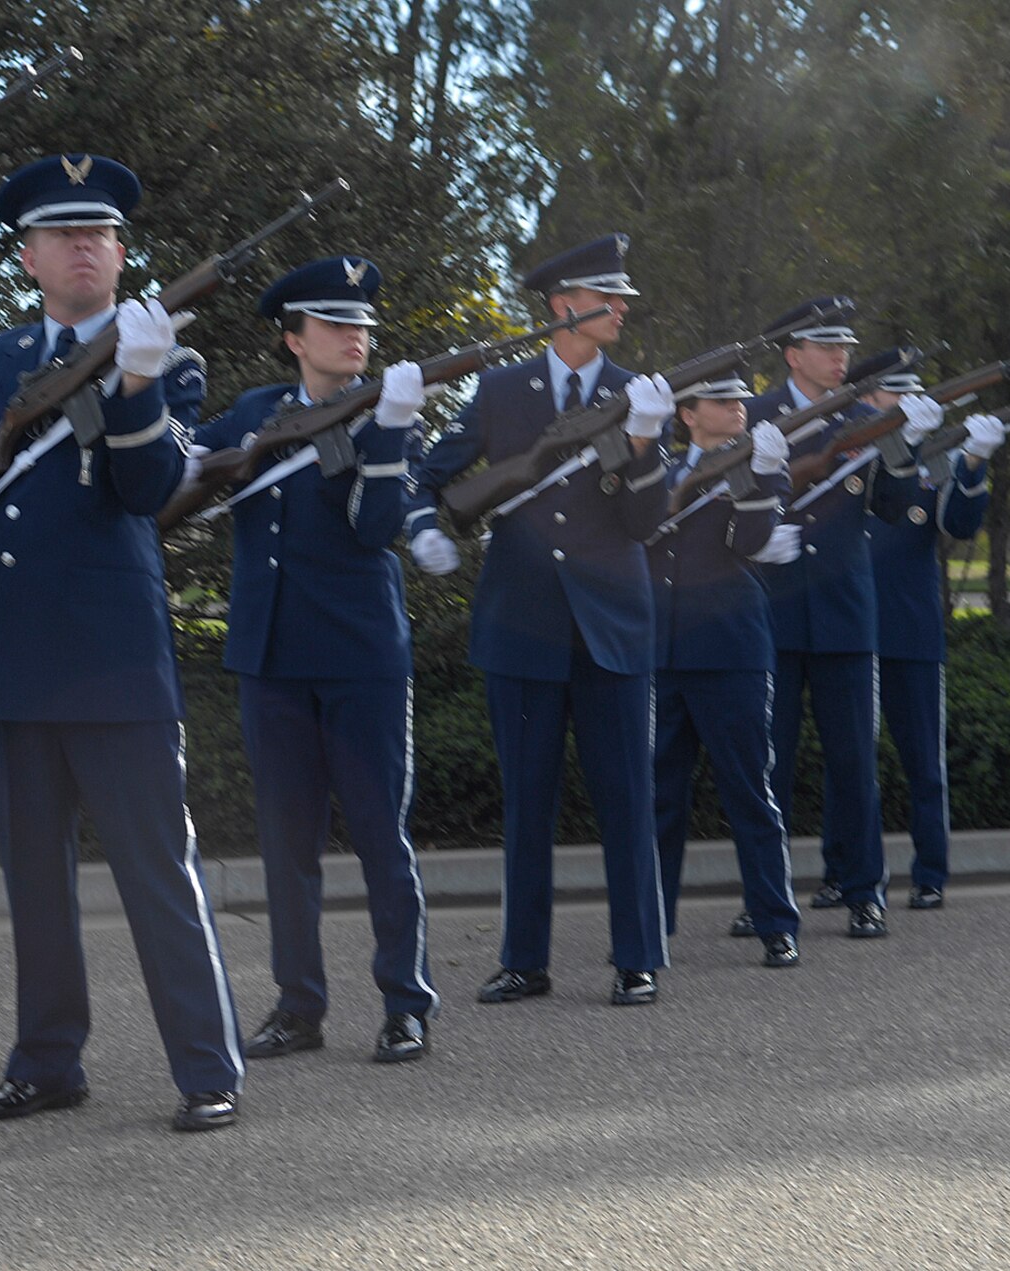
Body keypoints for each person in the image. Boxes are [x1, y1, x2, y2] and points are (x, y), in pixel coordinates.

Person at [0, 154, 245, 1131]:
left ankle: (207, 1067)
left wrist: (138, 385)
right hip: (9, 655)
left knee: (159, 875)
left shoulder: (166, 357)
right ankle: (45, 1062)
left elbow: (147, 493)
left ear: (120, 253)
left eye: (100, 234)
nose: (83, 247)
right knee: (33, 883)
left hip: (114, 662)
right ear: (28, 257)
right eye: (63, 234)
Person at [406, 234, 671, 1007]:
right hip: (522, 621)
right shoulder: (499, 392)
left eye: (622, 297)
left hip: (611, 625)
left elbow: (647, 521)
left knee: (626, 795)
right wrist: (424, 526)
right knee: (527, 799)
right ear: (563, 307)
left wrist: (647, 443)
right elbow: (429, 475)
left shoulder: (641, 392)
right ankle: (524, 957)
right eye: (606, 296)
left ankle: (637, 956)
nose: (622, 308)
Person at [192, 256, 439, 1065]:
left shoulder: (386, 414)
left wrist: (395, 428)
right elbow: (186, 472)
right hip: (272, 656)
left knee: (379, 837)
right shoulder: (255, 412)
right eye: (335, 325)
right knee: (286, 843)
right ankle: (299, 1005)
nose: (355, 337)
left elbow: (374, 530)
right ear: (294, 339)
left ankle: (406, 1003)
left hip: (360, 657)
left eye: (363, 325)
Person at [739, 301, 935, 941]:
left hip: (846, 616)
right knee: (770, 764)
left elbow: (894, 506)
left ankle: (864, 892)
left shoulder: (863, 420)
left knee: (855, 763)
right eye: (826, 346)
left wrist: (903, 448)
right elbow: (722, 501)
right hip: (771, 611)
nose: (841, 356)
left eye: (845, 346)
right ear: (793, 354)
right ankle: (766, 898)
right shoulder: (755, 416)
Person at [646, 372, 802, 968]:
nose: (737, 408)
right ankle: (651, 922)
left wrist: (764, 477)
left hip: (732, 650)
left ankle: (775, 922)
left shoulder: (761, 463)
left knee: (749, 793)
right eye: (721, 401)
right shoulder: (657, 467)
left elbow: (752, 540)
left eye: (740, 399)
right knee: (660, 794)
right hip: (662, 650)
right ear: (687, 414)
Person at [857, 350, 1006, 910]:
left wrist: (973, 464)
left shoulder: (933, 458)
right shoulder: (851, 457)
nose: (912, 404)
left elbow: (960, 525)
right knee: (853, 764)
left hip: (911, 629)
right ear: (870, 398)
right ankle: (846, 874)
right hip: (850, 631)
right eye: (898, 394)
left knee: (924, 761)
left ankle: (931, 872)